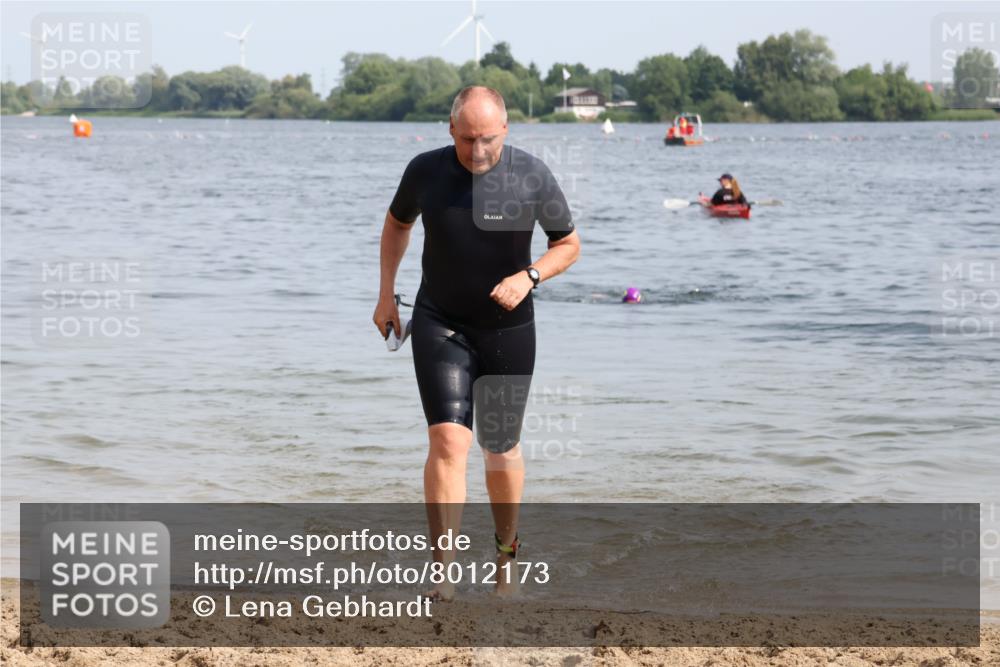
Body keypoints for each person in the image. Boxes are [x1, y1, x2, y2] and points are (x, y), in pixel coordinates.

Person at [373, 86, 581, 601]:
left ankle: (505, 561)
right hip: (439, 319)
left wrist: (530, 276)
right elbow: (398, 224)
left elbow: (568, 245)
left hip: (507, 329)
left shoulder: (531, 174)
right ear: (450, 131)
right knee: (447, 441)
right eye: (467, 139)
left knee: (500, 448)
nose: (478, 150)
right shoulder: (425, 171)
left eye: (487, 139)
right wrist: (385, 295)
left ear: (505, 131)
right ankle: (442, 574)